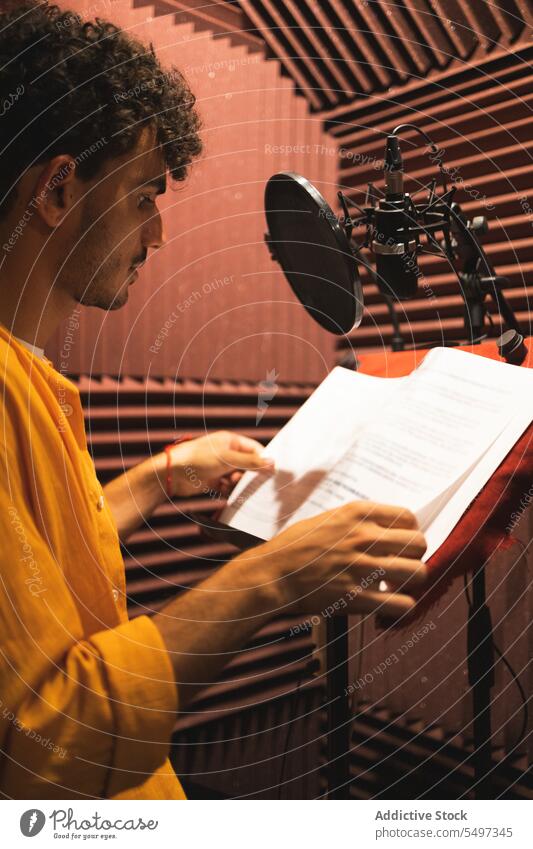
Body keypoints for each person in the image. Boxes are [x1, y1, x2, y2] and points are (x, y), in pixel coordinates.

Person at [0, 1, 427, 799]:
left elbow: (42, 558)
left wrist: (160, 476)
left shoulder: (30, 378)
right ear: (58, 188)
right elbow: (48, 741)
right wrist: (271, 578)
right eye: (142, 197)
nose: (155, 234)